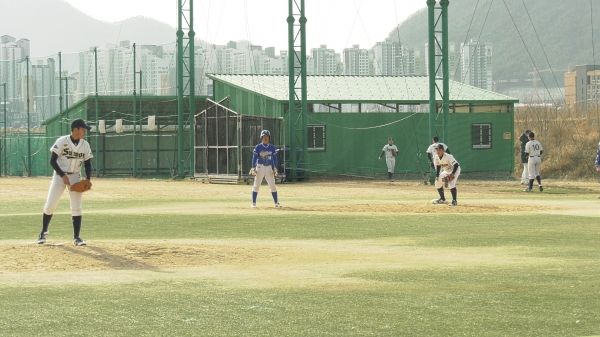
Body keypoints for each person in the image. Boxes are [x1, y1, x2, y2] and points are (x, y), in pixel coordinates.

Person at [38, 119, 93, 246]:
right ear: (75, 130)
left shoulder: (85, 145)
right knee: (50, 204)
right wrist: (62, 176)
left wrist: (88, 179)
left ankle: (77, 237)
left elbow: (88, 164)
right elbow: (52, 161)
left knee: (76, 207)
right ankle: (43, 232)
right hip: (59, 176)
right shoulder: (62, 141)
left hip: (75, 177)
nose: (84, 131)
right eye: (83, 129)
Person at [250, 130, 281, 208]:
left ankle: (276, 202)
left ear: (269, 138)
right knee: (256, 185)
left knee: (272, 185)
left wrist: (275, 168)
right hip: (260, 167)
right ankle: (253, 203)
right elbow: (254, 158)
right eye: (264, 136)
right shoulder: (258, 147)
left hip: (269, 167)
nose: (265, 138)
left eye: (267, 136)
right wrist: (253, 167)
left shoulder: (272, 147)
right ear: (261, 137)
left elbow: (275, 159)